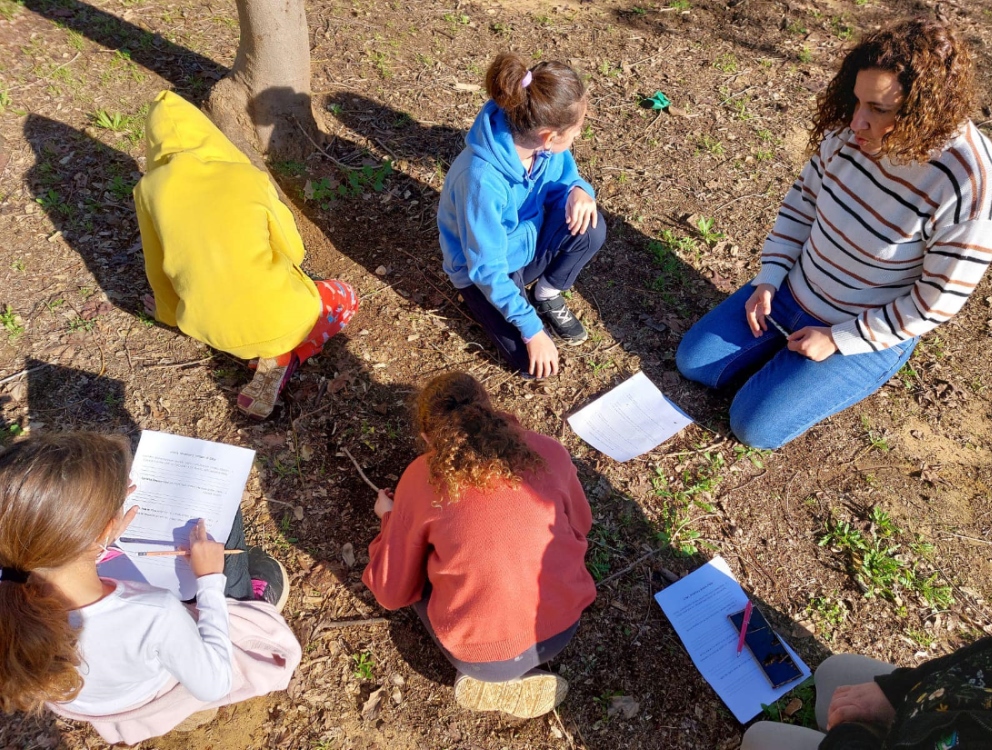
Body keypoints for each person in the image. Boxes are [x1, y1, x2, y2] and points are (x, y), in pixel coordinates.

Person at [675, 20, 992, 450]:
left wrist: (840, 338)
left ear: (927, 111)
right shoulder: (851, 133)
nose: (857, 122)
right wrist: (770, 278)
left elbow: (934, 302)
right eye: (857, 101)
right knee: (693, 364)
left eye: (880, 109)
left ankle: (833, 370)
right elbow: (801, 206)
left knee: (753, 427)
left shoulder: (969, 183)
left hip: (860, 328)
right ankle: (784, 359)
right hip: (792, 292)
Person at [0, 432, 301, 744]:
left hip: (108, 704)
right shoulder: (154, 611)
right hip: (162, 691)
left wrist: (96, 543)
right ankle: (244, 597)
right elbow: (214, 683)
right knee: (219, 525)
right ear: (102, 530)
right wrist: (210, 579)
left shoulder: (10, 594)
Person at [361, 372, 595, 718]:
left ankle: (493, 680)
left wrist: (391, 519)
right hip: (563, 627)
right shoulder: (548, 451)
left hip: (481, 660)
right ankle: (515, 673)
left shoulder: (421, 478)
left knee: (416, 566)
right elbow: (581, 525)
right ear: (488, 410)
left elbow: (391, 592)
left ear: (427, 436)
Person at [134, 90, 358, 419]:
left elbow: (157, 264)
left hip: (208, 327)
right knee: (346, 297)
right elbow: (291, 248)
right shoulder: (245, 177)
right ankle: (289, 353)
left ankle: (265, 352)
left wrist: (168, 313)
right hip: (282, 317)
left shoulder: (149, 191)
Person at [438, 53, 607, 379]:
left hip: (525, 241)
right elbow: (487, 269)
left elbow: (564, 176)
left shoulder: (541, 145)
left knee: (590, 228)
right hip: (484, 270)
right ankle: (516, 311)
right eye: (575, 132)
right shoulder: (481, 180)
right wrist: (531, 331)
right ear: (548, 136)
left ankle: (544, 293)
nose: (577, 137)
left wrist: (579, 188)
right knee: (533, 367)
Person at [741, 635, 992, 749]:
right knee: (834, 672)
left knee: (761, 739)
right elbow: (985, 657)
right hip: (927, 716)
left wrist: (851, 733)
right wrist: (895, 691)